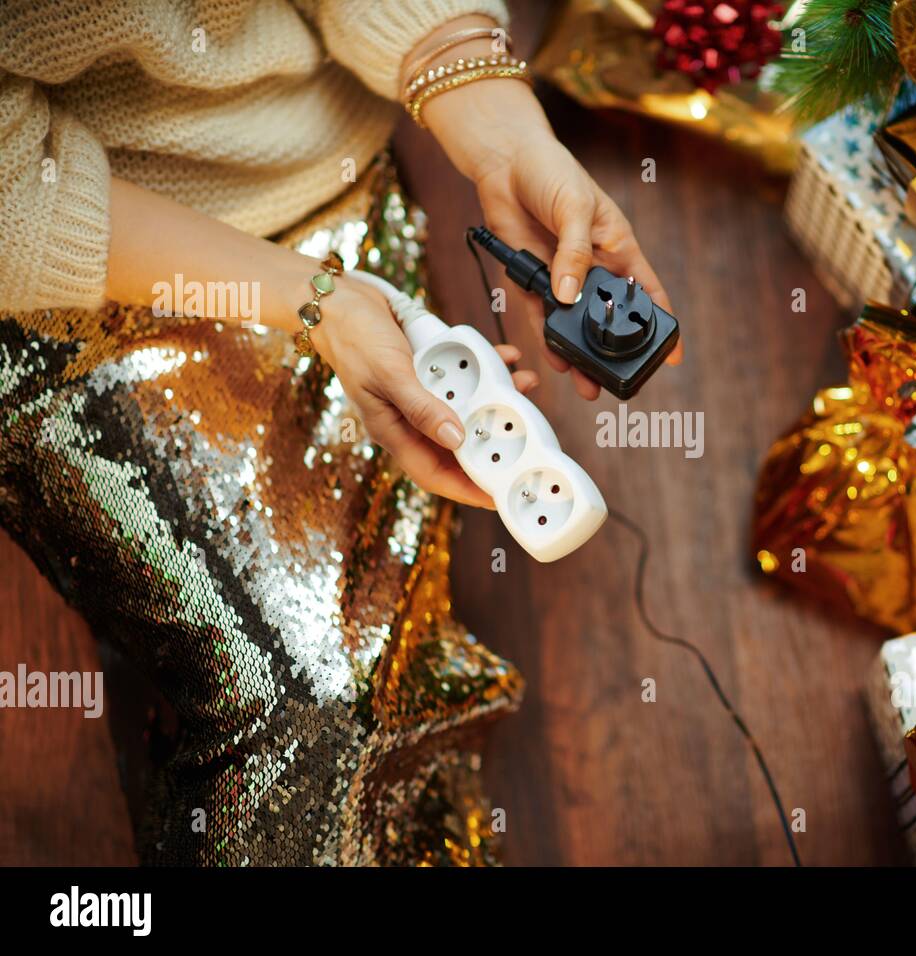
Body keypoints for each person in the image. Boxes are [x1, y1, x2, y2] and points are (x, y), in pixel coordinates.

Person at [0, 0, 677, 865]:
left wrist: (497, 124)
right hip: (72, 287)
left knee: (383, 687)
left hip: (331, 208)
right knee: (302, 720)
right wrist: (315, 301)